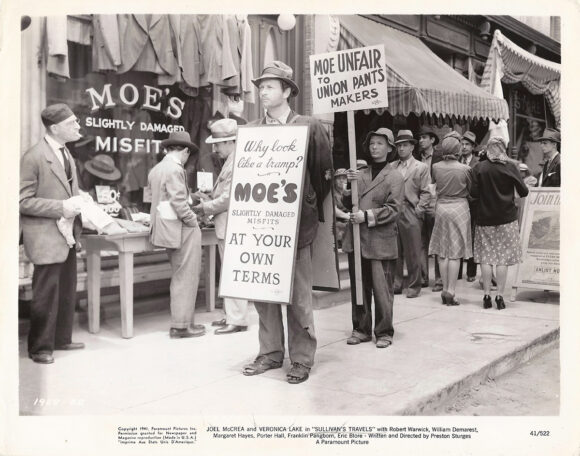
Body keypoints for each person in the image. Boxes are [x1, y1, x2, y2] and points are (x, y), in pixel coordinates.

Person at [242, 60, 333, 384]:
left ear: (287, 91)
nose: (262, 92)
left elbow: (323, 175)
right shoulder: (252, 130)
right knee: (264, 293)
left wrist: (305, 204)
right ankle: (269, 353)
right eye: (261, 87)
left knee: (297, 297)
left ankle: (302, 359)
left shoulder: (309, 126)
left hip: (297, 229)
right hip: (259, 226)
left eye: (268, 86)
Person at [20, 103, 85, 364]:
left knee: (67, 288)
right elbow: (21, 201)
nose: (78, 126)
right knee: (46, 293)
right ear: (56, 128)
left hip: (66, 235)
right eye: (73, 123)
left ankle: (61, 339)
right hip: (46, 236)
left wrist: (82, 203)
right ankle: (40, 348)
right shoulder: (33, 156)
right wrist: (61, 207)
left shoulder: (66, 154)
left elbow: (68, 192)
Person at [341, 128, 403, 348]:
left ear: (389, 148)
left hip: (381, 241)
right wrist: (349, 185)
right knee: (360, 287)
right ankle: (361, 328)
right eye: (372, 144)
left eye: (379, 143)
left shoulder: (394, 176)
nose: (374, 147)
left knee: (382, 289)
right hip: (357, 239)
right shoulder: (361, 173)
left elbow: (394, 209)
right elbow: (347, 203)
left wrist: (366, 216)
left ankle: (384, 331)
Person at [193, 118, 249, 335]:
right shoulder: (232, 160)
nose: (215, 149)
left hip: (231, 225)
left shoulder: (236, 162)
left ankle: (237, 319)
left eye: (217, 144)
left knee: (232, 272)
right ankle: (232, 315)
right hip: (227, 224)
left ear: (230, 142)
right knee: (229, 272)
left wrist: (204, 207)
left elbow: (228, 198)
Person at [148, 131, 205, 338]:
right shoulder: (175, 169)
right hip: (182, 229)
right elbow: (178, 202)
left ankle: (182, 323)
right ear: (185, 151)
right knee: (186, 277)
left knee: (180, 274)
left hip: (166, 228)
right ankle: (182, 326)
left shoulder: (158, 168)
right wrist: (194, 222)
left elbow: (161, 199)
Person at [471, 136, 529, 310]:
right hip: (507, 219)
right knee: (502, 259)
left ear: (488, 149)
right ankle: (499, 297)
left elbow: (473, 193)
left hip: (484, 219)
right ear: (503, 149)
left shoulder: (479, 168)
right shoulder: (510, 167)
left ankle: (486, 295)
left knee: (486, 258)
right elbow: (523, 191)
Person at [428, 132, 473, 306]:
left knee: (442, 250)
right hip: (459, 207)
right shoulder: (465, 169)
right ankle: (451, 291)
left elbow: (434, 185)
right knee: (455, 253)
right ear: (457, 149)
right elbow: (470, 190)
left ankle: (445, 287)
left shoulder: (436, 167)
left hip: (441, 207)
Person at [391, 130, 431, 298]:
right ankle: (396, 283)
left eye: (405, 145)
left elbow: (427, 192)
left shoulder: (420, 167)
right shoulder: (392, 166)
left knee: (413, 250)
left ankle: (414, 286)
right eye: (399, 146)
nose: (401, 149)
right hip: (393, 210)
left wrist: (419, 210)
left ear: (412, 147)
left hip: (411, 210)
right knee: (395, 250)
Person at [417, 126, 443, 291]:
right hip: (419, 203)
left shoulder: (440, 158)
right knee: (420, 242)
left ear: (432, 140)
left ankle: (440, 279)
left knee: (437, 242)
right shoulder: (415, 158)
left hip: (435, 203)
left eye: (424, 137)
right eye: (420, 138)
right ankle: (423, 277)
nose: (421, 140)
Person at [460, 131, 480, 282]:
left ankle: (471, 273)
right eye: (462, 144)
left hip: (473, 204)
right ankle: (458, 271)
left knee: (472, 237)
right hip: (459, 203)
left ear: (473, 147)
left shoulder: (478, 162)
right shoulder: (456, 161)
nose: (464, 147)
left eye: (467, 144)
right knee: (459, 236)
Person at [333, 168, 350, 246]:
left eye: (344, 178)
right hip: (338, 220)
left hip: (350, 218)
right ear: (335, 181)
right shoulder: (333, 192)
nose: (341, 180)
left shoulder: (351, 190)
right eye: (338, 178)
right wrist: (347, 216)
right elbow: (333, 210)